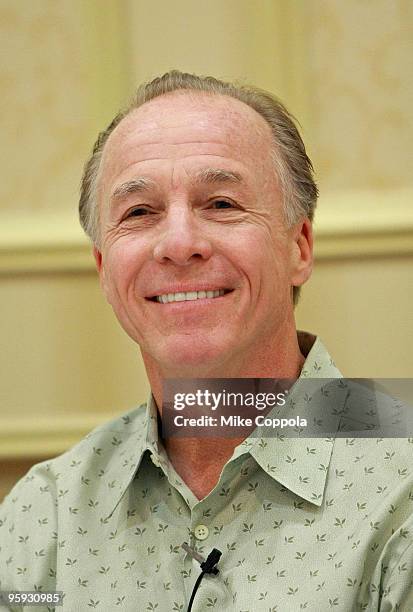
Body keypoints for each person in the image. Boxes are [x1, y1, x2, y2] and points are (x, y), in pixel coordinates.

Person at [0, 70, 412, 611]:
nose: (179, 244)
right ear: (104, 270)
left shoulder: (400, 492)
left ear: (299, 246)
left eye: (221, 204)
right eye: (139, 212)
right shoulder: (43, 513)